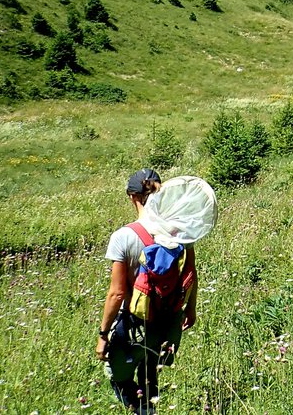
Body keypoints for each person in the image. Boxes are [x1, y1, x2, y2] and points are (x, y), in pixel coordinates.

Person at [96, 168, 198, 414]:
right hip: (165, 319)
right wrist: (191, 309)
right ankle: (148, 408)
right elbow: (191, 275)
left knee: (117, 375)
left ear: (132, 197)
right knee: (150, 373)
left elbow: (117, 294)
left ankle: (139, 409)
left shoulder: (123, 236)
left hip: (133, 322)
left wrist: (103, 334)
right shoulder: (181, 234)